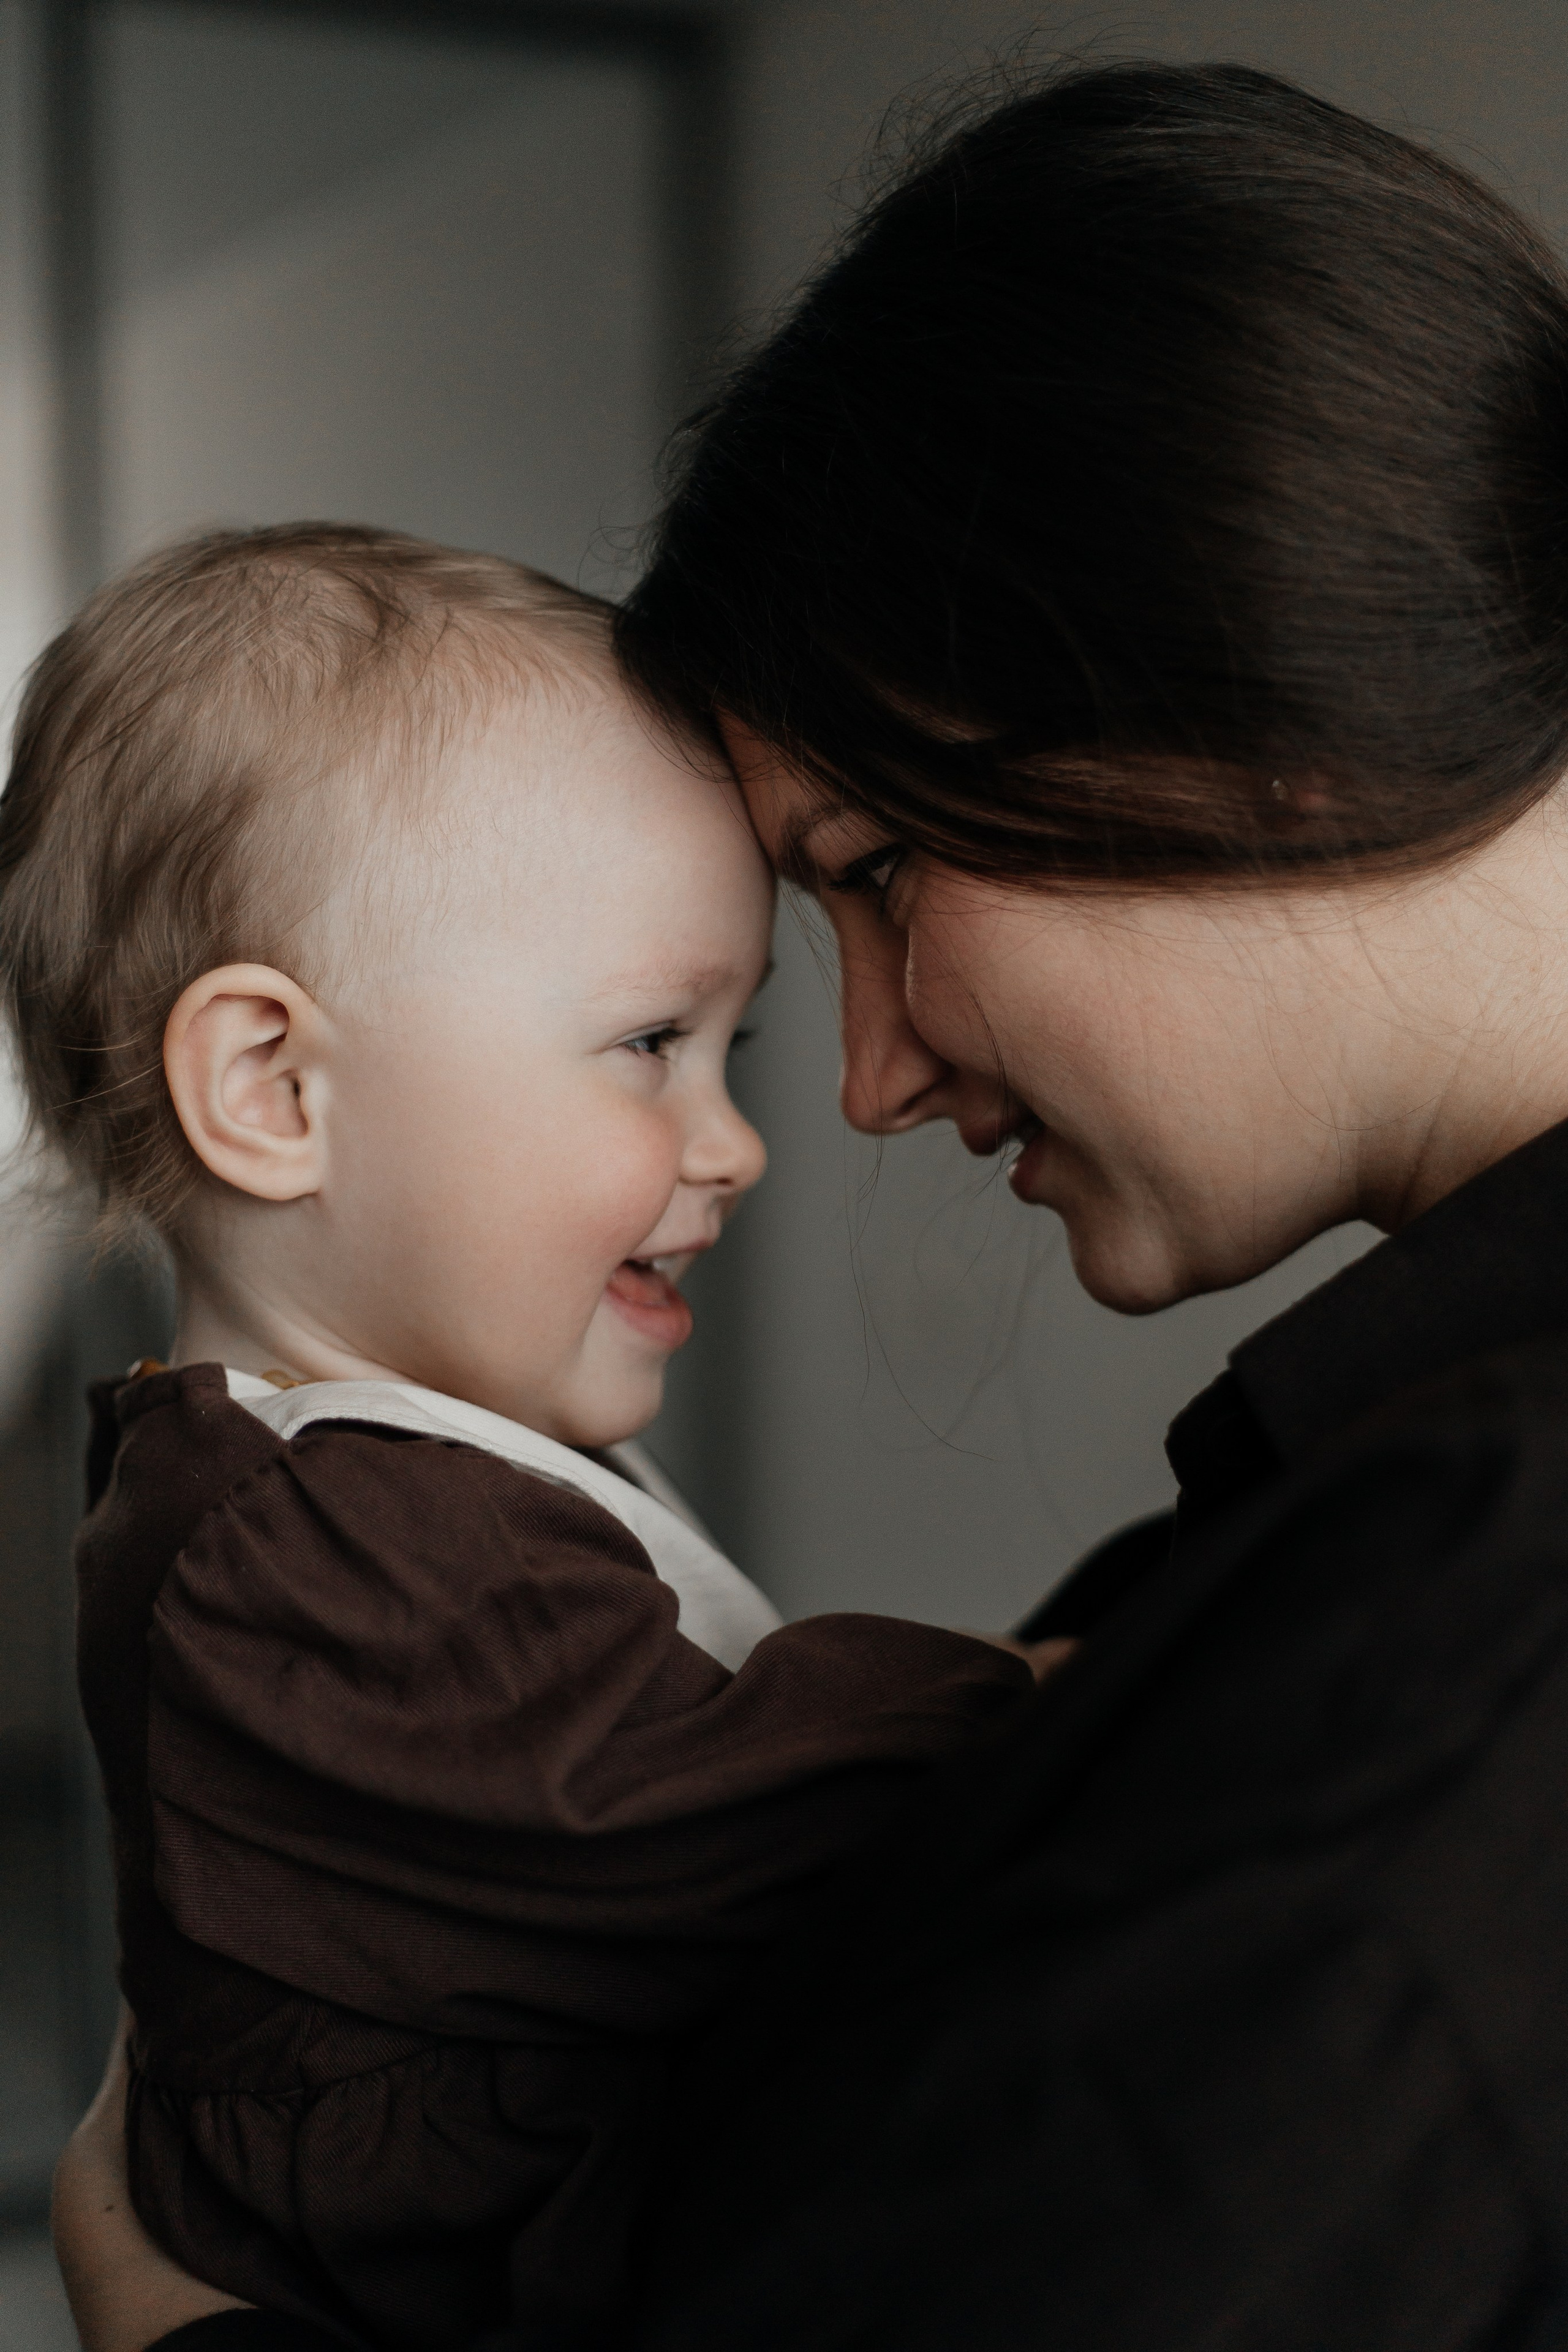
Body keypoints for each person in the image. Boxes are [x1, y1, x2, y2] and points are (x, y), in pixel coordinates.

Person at [51, 55, 1568, 2351]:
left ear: (1242, 691)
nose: (852, 1090)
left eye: (872, 876)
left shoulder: (1480, 1597)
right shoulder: (1370, 1508)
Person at [1, 524, 1056, 2352]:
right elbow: (696, 1819)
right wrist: (1045, 1688)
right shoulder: (311, 1527)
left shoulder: (385, 1471)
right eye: (652, 1041)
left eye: (727, 1043)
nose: (736, 1143)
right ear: (275, 1088)